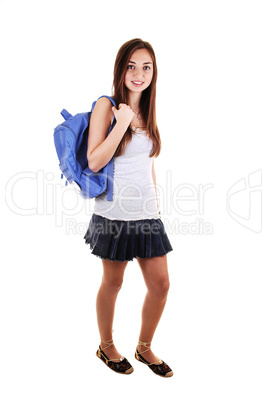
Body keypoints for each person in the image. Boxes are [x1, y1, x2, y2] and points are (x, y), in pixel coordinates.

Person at [84, 38, 174, 377]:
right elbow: (94, 161)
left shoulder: (148, 110)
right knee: (114, 283)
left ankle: (144, 347)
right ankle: (105, 347)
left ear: (154, 72)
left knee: (161, 285)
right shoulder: (107, 107)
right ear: (121, 69)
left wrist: (156, 204)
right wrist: (121, 122)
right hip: (114, 215)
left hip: (147, 215)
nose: (139, 73)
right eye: (132, 66)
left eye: (146, 66)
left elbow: (146, 161)